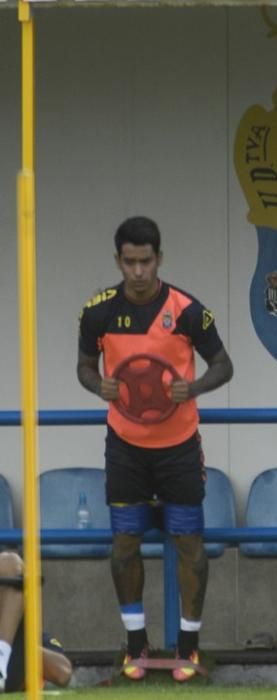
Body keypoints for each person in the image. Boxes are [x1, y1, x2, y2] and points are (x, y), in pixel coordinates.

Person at [76, 216, 233, 683]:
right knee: (124, 545)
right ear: (118, 261)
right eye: (130, 262)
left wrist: (196, 385)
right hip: (124, 449)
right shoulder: (98, 311)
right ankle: (135, 647)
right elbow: (84, 366)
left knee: (189, 544)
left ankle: (189, 648)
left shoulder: (188, 311)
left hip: (179, 449)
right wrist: (97, 386)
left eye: (146, 261)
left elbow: (223, 364)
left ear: (159, 259)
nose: (138, 271)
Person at [0, 551, 73, 692]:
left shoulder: (24, 631)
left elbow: (63, 674)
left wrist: (16, 645)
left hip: (9, 672)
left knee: (11, 561)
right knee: (10, 561)